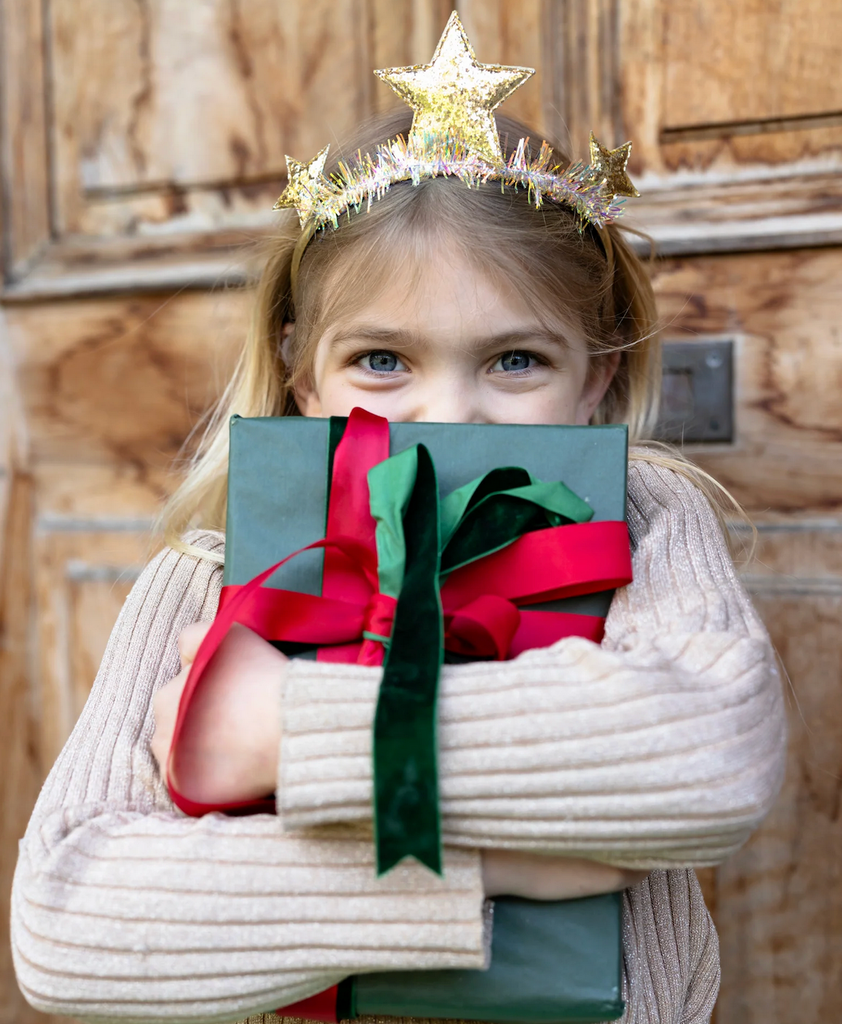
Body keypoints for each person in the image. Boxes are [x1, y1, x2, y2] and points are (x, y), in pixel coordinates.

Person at [11, 17, 786, 1024]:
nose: (447, 415)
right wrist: (481, 871)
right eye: (381, 361)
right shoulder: (204, 580)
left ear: (593, 379)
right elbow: (70, 925)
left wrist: (285, 732)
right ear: (300, 377)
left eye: (514, 361)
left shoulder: (640, 531)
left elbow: (710, 756)